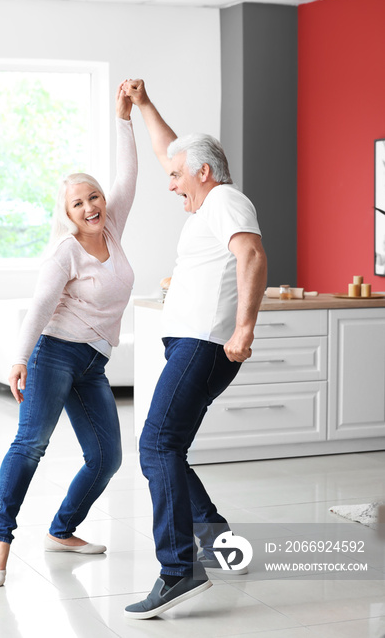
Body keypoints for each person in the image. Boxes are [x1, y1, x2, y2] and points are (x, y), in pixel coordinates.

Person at [121, 79, 267, 619]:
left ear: (203, 173)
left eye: (178, 176)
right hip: (191, 342)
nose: (171, 184)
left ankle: (179, 569)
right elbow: (170, 151)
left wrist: (244, 329)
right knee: (168, 448)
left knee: (155, 444)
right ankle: (221, 545)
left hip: (206, 344)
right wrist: (143, 106)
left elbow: (252, 255)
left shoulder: (225, 199)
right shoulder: (208, 201)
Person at [0, 83, 138, 587]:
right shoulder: (64, 252)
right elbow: (40, 307)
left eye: (94, 196)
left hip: (94, 362)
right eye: (78, 203)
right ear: (66, 213)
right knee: (31, 444)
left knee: (107, 458)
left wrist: (123, 116)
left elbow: (129, 174)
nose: (90, 206)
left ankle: (62, 529)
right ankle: (0, 538)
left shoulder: (112, 227)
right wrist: (18, 358)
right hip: (55, 355)